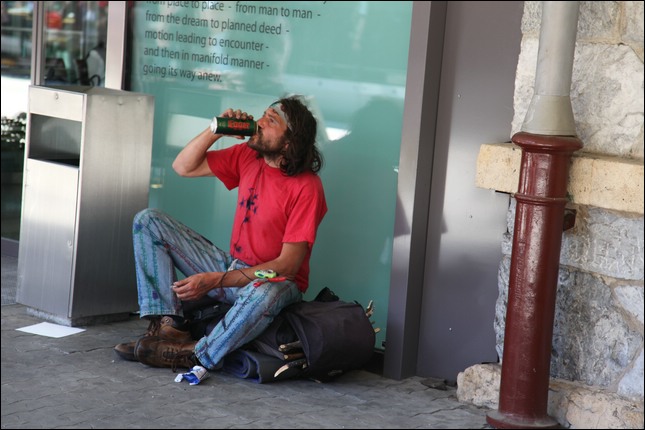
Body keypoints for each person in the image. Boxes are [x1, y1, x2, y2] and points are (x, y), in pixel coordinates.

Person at [114, 95, 327, 371]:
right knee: (149, 221)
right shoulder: (248, 156)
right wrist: (217, 130)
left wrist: (215, 280)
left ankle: (197, 354)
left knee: (264, 292)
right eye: (263, 114)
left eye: (271, 121)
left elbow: (287, 266)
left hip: (273, 282)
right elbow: (183, 166)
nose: (259, 122)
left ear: (289, 142)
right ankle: (168, 331)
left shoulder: (307, 187)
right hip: (233, 267)